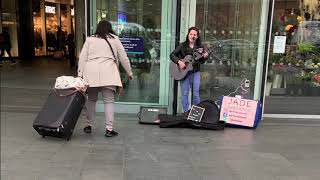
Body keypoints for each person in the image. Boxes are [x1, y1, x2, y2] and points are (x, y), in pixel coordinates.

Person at [78, 20, 133, 137]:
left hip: (91, 73)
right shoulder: (114, 39)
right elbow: (123, 57)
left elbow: (82, 57)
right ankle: (109, 129)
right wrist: (129, 72)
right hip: (108, 72)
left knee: (91, 100)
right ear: (109, 28)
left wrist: (80, 75)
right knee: (109, 102)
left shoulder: (90, 39)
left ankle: (89, 125)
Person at [170, 27, 208, 112]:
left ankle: (196, 114)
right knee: (185, 94)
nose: (192, 36)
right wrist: (179, 62)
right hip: (184, 74)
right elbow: (172, 55)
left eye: (194, 35)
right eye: (191, 34)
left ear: (197, 37)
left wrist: (205, 57)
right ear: (188, 35)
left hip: (195, 72)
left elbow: (201, 61)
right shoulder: (182, 45)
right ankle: (186, 113)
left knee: (196, 94)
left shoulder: (200, 47)